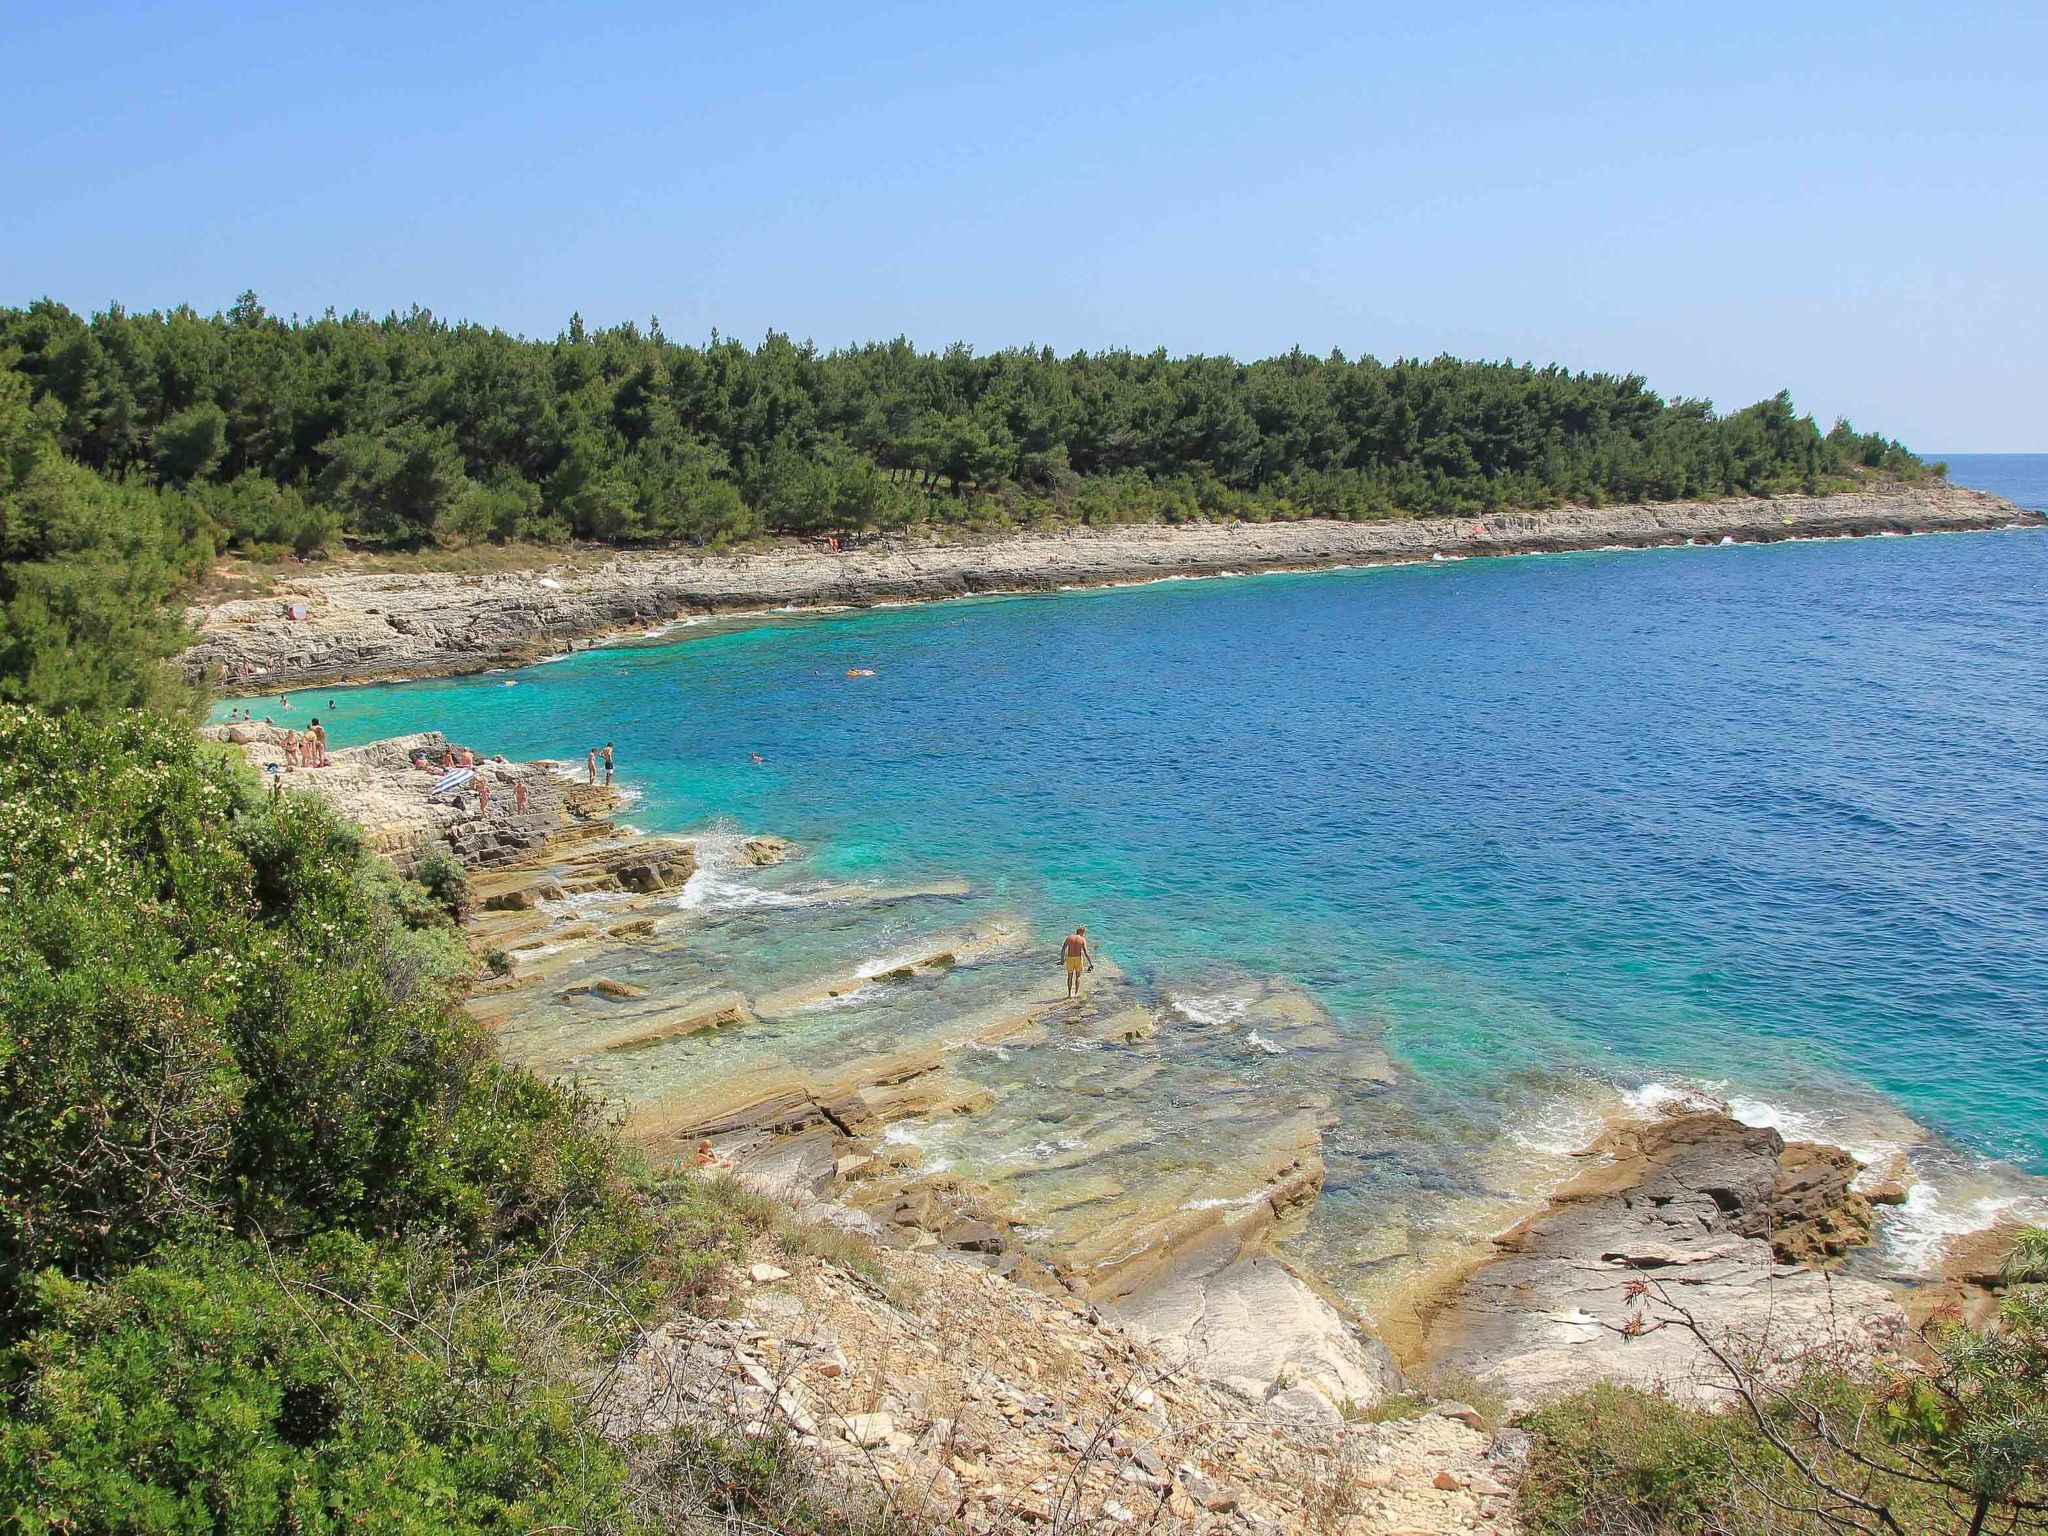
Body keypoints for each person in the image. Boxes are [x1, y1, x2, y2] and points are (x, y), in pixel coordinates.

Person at [1060, 926, 1095, 1000]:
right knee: (1078, 976)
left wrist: (1062, 960)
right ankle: (1076, 993)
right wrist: (1090, 963)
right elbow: (1086, 953)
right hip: (1078, 959)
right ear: (1082, 932)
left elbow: (1063, 950)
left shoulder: (1069, 938)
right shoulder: (1082, 940)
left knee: (1069, 977)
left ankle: (1069, 994)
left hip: (1069, 959)